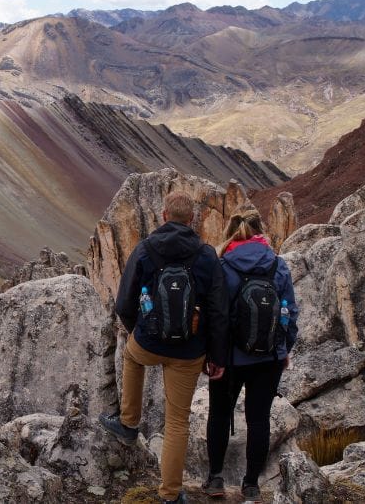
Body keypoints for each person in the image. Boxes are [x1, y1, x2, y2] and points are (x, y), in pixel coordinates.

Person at [98, 190, 228, 504]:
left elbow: (125, 302)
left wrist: (139, 331)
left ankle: (129, 423)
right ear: (192, 219)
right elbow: (218, 311)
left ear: (164, 215)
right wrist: (216, 356)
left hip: (149, 341)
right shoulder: (207, 255)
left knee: (131, 355)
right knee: (177, 422)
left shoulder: (145, 249)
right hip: (189, 350)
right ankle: (170, 495)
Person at [203, 208, 299, 503]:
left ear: (231, 233)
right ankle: (252, 486)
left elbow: (215, 316)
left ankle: (215, 479)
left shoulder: (222, 265)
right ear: (261, 234)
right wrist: (282, 351)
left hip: (229, 360)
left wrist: (213, 357)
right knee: (259, 420)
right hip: (267, 359)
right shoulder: (278, 266)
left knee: (219, 415)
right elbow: (289, 313)